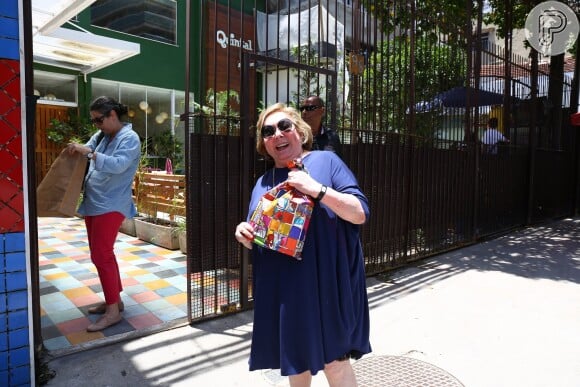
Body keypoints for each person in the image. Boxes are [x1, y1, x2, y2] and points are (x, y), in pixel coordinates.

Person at [234, 103, 371, 386]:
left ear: (300, 130)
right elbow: (259, 236)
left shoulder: (326, 162)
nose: (277, 134)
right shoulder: (263, 182)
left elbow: (358, 213)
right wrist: (244, 233)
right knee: (296, 365)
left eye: (285, 126)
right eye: (268, 131)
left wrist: (317, 190)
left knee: (335, 363)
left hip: (325, 286)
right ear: (264, 143)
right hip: (285, 291)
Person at [67, 96, 141, 332]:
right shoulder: (102, 136)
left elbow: (118, 164)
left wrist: (89, 154)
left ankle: (112, 312)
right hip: (95, 202)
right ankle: (115, 301)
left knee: (101, 256)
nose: (96, 125)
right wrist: (79, 149)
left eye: (99, 119)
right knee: (102, 255)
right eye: (94, 121)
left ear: (112, 115)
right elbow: (88, 148)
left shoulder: (129, 138)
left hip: (111, 204)